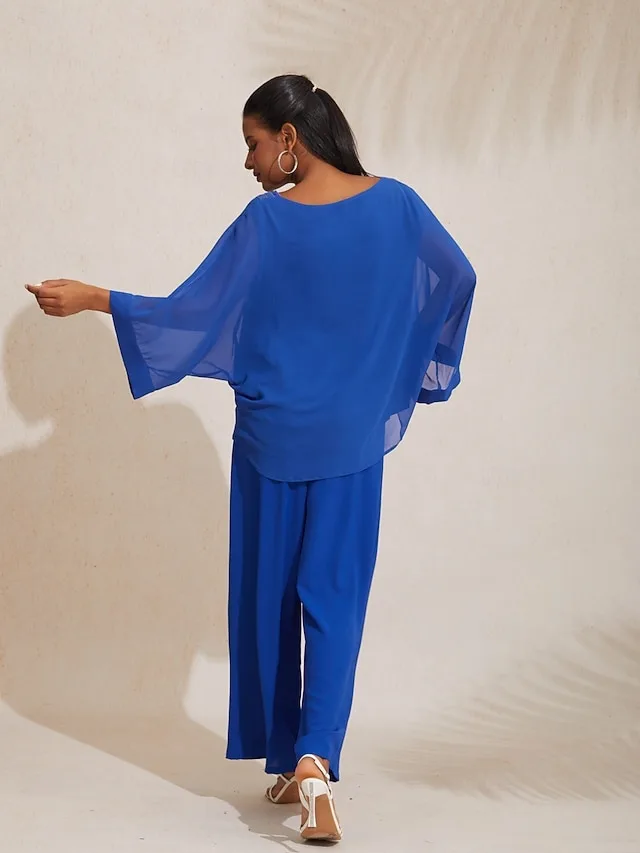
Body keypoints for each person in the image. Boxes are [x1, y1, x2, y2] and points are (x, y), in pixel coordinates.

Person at [25, 74, 476, 843]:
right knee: (334, 599)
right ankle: (313, 761)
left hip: (273, 437)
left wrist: (97, 297)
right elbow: (457, 277)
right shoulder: (399, 206)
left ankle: (293, 756)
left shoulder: (267, 221)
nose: (248, 162)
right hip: (351, 442)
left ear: (289, 139)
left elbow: (192, 312)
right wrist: (404, 371)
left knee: (271, 600)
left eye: (253, 143)